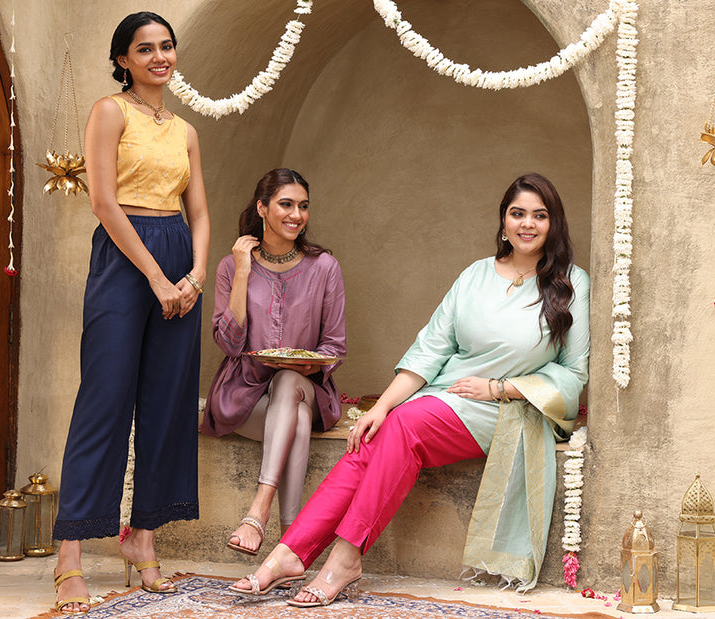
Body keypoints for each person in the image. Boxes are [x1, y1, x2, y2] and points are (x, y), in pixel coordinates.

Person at [230, 173, 590, 606]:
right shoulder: (477, 275)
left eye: (539, 215)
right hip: (445, 397)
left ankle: (345, 558)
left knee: (406, 426)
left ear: (554, 223)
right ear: (503, 222)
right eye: (517, 214)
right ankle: (288, 554)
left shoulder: (570, 284)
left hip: (511, 410)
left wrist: (500, 387)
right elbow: (429, 350)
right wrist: (378, 408)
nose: (527, 224)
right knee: (373, 435)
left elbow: (573, 375)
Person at [50, 11, 210, 615]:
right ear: (123, 59)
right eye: (145, 49)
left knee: (168, 402)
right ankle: (69, 555)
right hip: (125, 260)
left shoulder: (187, 131)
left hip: (178, 258)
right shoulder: (108, 112)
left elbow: (199, 213)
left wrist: (192, 276)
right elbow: (102, 200)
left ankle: (142, 537)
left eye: (166, 46)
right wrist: (155, 275)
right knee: (105, 399)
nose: (159, 57)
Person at [200, 168, 346, 559]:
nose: (296, 214)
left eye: (303, 206)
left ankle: (257, 511)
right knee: (293, 418)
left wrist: (308, 367)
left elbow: (334, 345)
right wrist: (244, 273)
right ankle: (291, 544)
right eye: (286, 204)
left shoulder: (324, 267)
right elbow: (229, 343)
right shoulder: (231, 267)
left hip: (307, 388)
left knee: (287, 383)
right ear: (262, 208)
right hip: (243, 397)